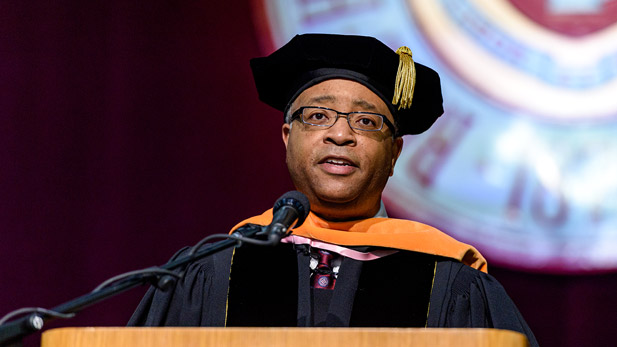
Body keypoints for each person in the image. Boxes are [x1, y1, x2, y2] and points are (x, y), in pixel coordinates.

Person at [128, 34, 538, 346]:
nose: (340, 134)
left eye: (366, 122)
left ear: (395, 152)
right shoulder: (211, 270)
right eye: (318, 116)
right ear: (288, 137)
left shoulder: (449, 280)